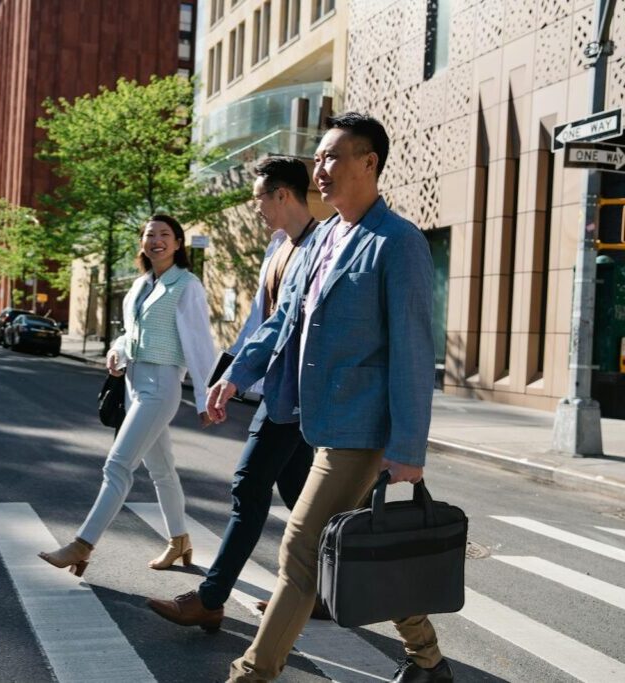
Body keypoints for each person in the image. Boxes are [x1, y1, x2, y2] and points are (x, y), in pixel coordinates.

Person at [212, 113, 451, 683]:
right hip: (318, 421)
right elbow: (282, 323)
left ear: (369, 163)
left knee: (300, 549)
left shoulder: (398, 243)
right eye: (317, 157)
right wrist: (234, 373)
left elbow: (414, 353)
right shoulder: (321, 240)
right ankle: (429, 662)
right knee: (364, 546)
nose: (319, 168)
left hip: (363, 430)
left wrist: (407, 448)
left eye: (333, 157)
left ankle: (252, 673)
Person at [147, 156, 324, 632]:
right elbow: (257, 324)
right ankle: (321, 592)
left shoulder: (321, 246)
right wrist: (226, 376)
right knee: (298, 493)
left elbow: (296, 328)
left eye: (259, 198)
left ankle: (211, 597)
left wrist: (237, 379)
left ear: (282, 195)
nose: (256, 208)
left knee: (249, 486)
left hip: (296, 394)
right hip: (276, 388)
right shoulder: (276, 247)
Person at [39, 214, 215, 576]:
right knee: (162, 471)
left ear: (179, 243)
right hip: (134, 384)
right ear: (142, 243)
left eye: (165, 234)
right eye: (150, 235)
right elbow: (129, 332)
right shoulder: (139, 285)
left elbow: (200, 343)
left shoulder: (187, 284)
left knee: (117, 465)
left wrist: (205, 397)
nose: (156, 240)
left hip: (162, 385)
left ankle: (82, 544)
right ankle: (179, 539)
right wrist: (117, 349)